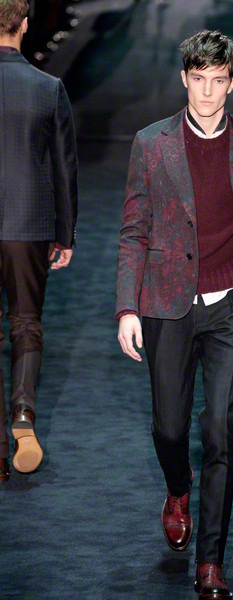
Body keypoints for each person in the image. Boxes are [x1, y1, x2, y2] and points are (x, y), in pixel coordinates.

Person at [116, 30, 233, 599]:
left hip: (231, 305)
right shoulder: (151, 144)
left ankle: (210, 563)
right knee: (169, 428)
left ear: (232, 83)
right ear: (184, 79)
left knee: (221, 430)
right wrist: (127, 306)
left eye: (218, 81)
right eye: (198, 80)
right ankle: (178, 489)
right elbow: (134, 230)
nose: (207, 93)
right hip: (166, 304)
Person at [0, 0, 77, 481]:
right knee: (26, 321)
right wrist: (65, 233)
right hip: (28, 222)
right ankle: (23, 413)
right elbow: (65, 167)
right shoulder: (48, 88)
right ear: (25, 25)